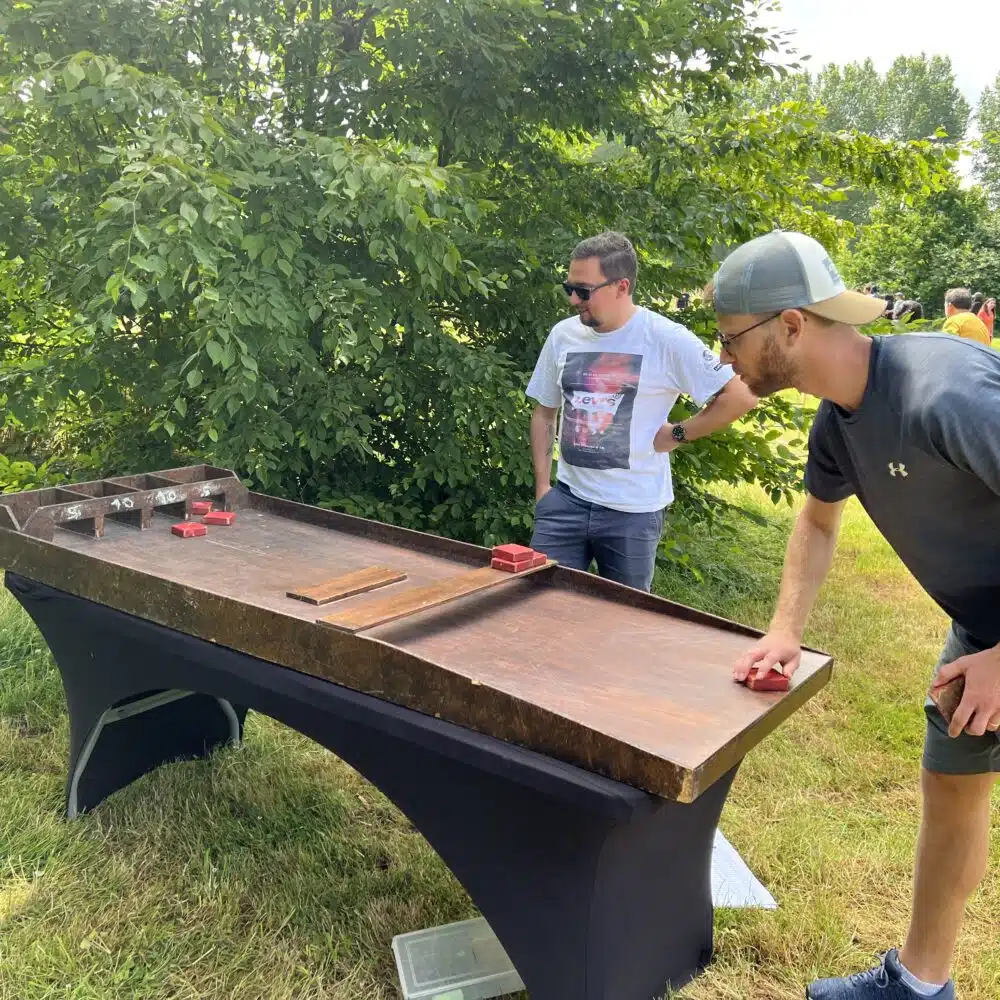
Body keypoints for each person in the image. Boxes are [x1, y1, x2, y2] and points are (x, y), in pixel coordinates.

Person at [707, 230, 1000, 1000]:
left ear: (791, 324)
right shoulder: (840, 422)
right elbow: (817, 521)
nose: (724, 357)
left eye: (731, 337)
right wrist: (784, 629)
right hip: (983, 627)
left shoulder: (947, 393)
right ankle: (920, 986)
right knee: (953, 785)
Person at [526, 232, 756, 592]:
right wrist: (543, 487)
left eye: (583, 291)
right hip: (566, 503)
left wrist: (678, 433)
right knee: (539, 603)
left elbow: (740, 394)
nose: (573, 299)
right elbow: (544, 412)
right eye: (569, 288)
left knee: (625, 617)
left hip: (632, 513)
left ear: (621, 286)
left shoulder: (664, 338)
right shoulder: (563, 336)